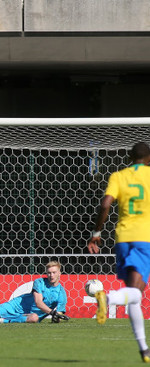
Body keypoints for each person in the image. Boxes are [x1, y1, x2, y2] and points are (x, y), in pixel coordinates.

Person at [87, 142, 150, 363]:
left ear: (130, 157)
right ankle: (108, 297)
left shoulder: (118, 176)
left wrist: (96, 232)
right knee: (137, 293)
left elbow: (105, 204)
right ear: (149, 158)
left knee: (133, 295)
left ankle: (144, 349)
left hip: (122, 239)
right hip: (145, 239)